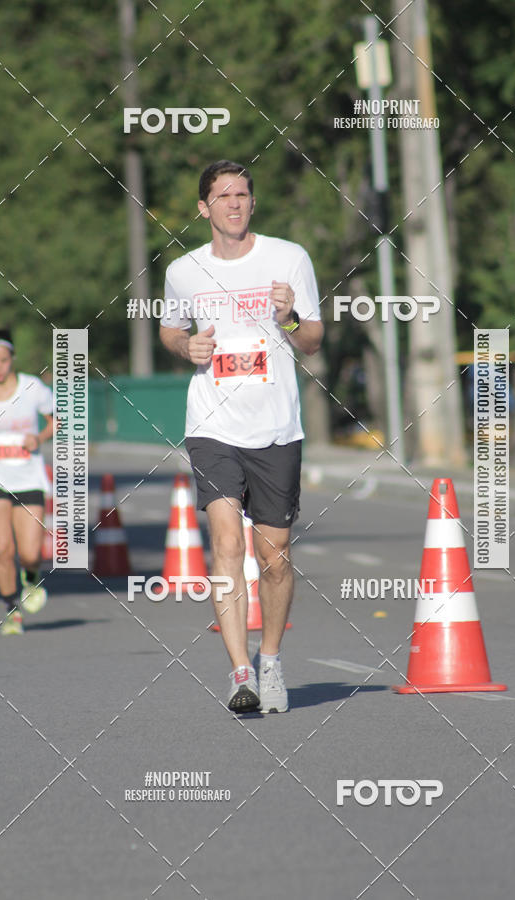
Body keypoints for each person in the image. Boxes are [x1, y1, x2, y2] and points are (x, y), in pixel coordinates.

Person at [160, 160, 323, 713]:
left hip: (276, 426)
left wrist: (291, 318)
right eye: (223, 196)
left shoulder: (288, 258)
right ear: (203, 208)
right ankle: (239, 672)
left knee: (274, 557)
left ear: (253, 203)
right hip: (212, 425)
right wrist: (188, 349)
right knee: (227, 544)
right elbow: (169, 328)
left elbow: (315, 340)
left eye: (243, 195)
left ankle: (271, 659)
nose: (234, 204)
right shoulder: (184, 270)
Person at [0, 330, 54, 634]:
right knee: (1, 548)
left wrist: (37, 437)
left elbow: (57, 418)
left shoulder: (32, 387)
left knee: (28, 551)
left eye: (4, 360)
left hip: (28, 477)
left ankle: (30, 575)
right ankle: (12, 611)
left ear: (12, 360)